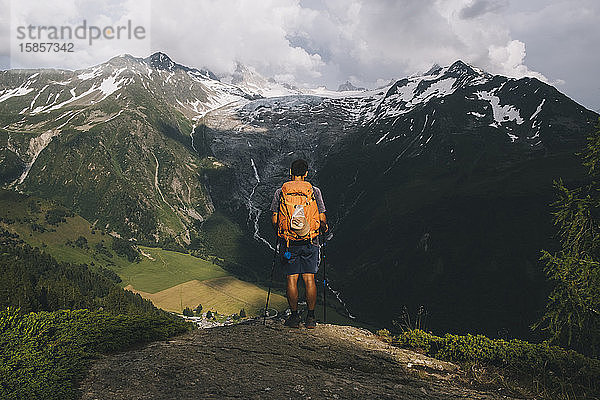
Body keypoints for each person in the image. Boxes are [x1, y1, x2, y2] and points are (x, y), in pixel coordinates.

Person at [271, 159, 328, 329]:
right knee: (309, 278)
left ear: (290, 172)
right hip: (310, 241)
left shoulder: (280, 192)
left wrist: (281, 233)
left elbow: (275, 219)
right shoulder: (314, 191)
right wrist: (323, 228)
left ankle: (294, 317)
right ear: (306, 173)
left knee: (291, 279)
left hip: (289, 242)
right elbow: (321, 217)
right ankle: (310, 318)